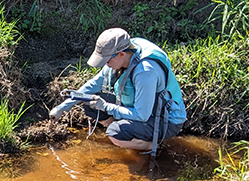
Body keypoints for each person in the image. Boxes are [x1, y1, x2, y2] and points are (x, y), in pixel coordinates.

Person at [49, 28, 186, 156]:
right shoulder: (125, 53)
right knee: (90, 103)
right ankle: (128, 135)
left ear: (121, 54)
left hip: (164, 119)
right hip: (140, 108)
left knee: (115, 132)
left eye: (107, 60)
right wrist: (62, 107)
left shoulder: (145, 72)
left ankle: (153, 146)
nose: (105, 64)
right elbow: (93, 84)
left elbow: (142, 115)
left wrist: (106, 107)